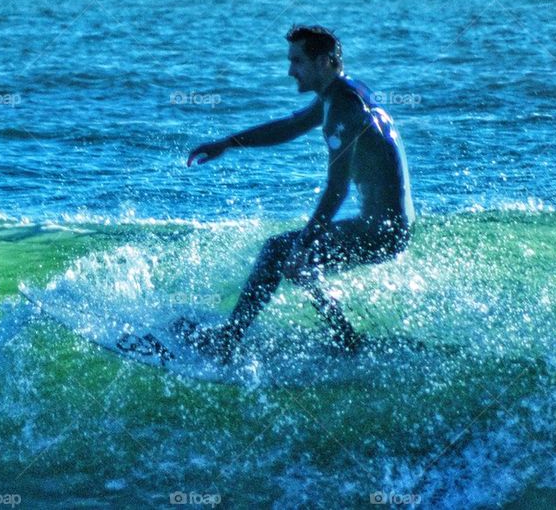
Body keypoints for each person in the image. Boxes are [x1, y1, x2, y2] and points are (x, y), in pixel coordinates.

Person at [178, 25, 416, 362]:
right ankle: (345, 338)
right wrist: (229, 143)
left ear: (323, 62)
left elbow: (337, 189)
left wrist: (303, 244)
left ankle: (228, 341)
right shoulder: (342, 95)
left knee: (280, 251)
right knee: (296, 258)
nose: (290, 71)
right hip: (388, 227)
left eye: (297, 61)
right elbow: (290, 126)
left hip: (380, 232)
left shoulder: (344, 110)